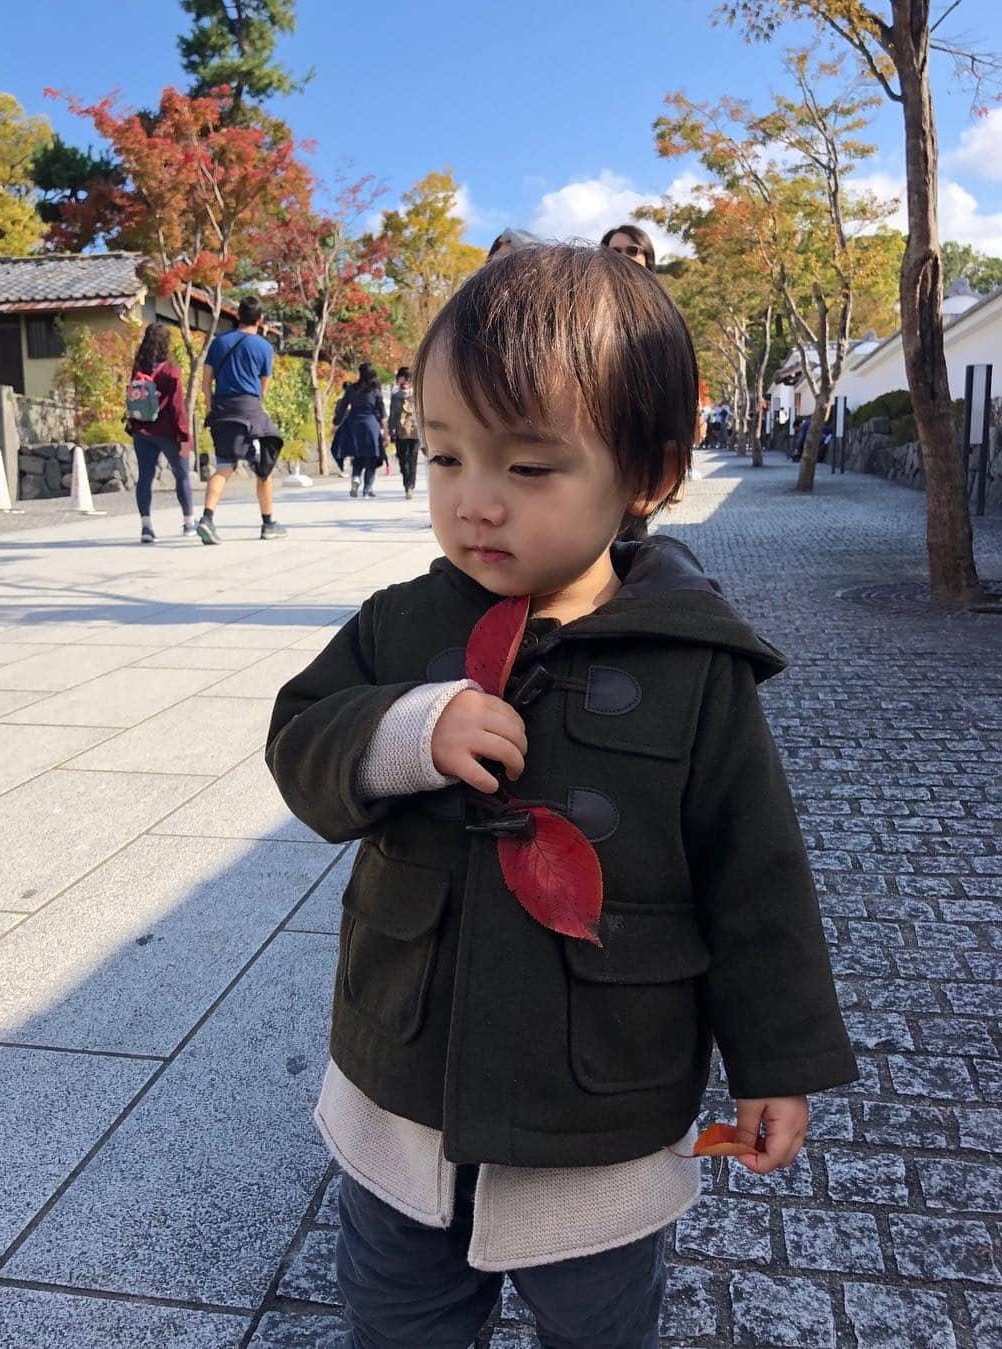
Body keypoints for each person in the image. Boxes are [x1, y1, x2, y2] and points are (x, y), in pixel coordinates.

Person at [265, 244, 856, 1349]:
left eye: (528, 468)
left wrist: (781, 1063)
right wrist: (404, 730)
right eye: (445, 457)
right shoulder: (402, 623)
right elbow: (300, 742)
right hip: (405, 1087)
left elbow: (757, 878)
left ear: (649, 474)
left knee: (598, 1323)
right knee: (397, 1317)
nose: (475, 503)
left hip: (600, 1098)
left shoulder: (697, 666)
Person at [196, 294, 286, 544]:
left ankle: (207, 518)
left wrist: (211, 405)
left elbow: (206, 381)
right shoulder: (264, 347)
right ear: (260, 319)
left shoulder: (218, 343)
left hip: (222, 409)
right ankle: (268, 523)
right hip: (249, 411)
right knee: (264, 466)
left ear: (237, 316)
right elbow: (262, 386)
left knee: (224, 466)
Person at [124, 322, 194, 543]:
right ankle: (189, 522)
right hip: (167, 432)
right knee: (181, 475)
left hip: (141, 430)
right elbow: (177, 407)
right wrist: (184, 437)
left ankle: (146, 526)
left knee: (144, 477)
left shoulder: (139, 368)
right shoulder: (171, 370)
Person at [331, 362, 388, 498]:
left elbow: (342, 406)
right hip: (371, 426)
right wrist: (386, 433)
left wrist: (336, 423)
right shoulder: (375, 391)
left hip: (353, 425)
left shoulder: (352, 389)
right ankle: (367, 489)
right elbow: (383, 414)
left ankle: (356, 478)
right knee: (371, 458)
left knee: (358, 456)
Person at [388, 366, 421, 500]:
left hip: (402, 431)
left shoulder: (397, 395)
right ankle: (410, 485)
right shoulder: (417, 393)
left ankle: (408, 485)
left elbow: (393, 415)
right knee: (411, 459)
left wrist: (391, 431)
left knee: (404, 460)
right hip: (415, 431)